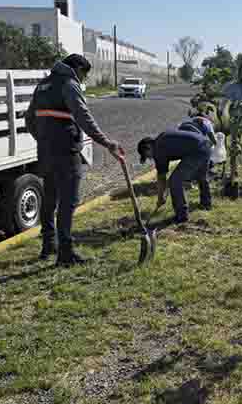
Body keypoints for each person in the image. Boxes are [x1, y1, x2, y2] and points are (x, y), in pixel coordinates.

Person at [26, 54, 124, 266]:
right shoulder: (69, 84)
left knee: (50, 199)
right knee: (68, 202)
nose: (83, 80)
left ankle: (48, 245)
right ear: (77, 68)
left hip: (45, 152)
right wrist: (107, 143)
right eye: (83, 74)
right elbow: (84, 117)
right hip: (66, 151)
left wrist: (43, 139)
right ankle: (66, 253)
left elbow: (29, 120)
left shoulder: (43, 85)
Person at [137, 128, 212, 224]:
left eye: (147, 155)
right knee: (201, 176)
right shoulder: (162, 138)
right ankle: (206, 203)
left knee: (175, 181)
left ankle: (181, 216)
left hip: (196, 151)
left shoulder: (158, 149)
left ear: (148, 147)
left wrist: (160, 197)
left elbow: (161, 177)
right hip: (205, 145)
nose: (149, 158)